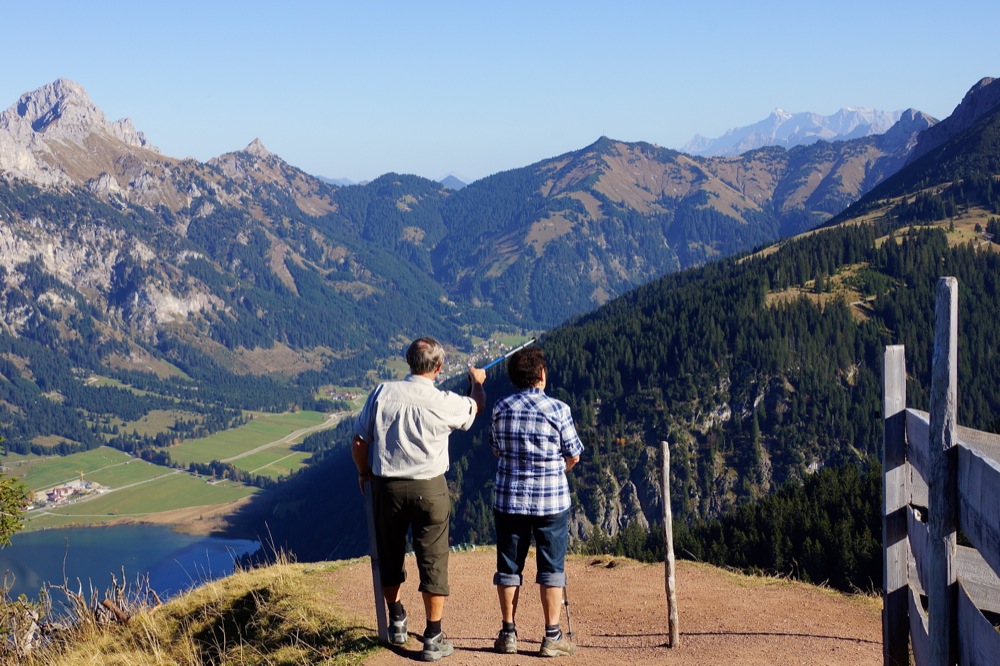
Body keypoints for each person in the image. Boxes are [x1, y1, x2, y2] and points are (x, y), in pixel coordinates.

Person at [352, 337, 487, 662]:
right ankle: (433, 634)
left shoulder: (382, 393)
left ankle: (396, 618)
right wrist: (477, 382)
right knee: (433, 559)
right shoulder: (444, 401)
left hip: (388, 488)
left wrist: (364, 473)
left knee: (390, 554)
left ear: (409, 362)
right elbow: (476, 407)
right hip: (430, 488)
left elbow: (359, 440)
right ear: (439, 368)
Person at [490, 346, 583, 657]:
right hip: (551, 500)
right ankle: (552, 636)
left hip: (509, 497)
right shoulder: (559, 410)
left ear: (516, 378)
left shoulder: (501, 408)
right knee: (552, 567)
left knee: (508, 566)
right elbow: (573, 454)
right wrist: (558, 468)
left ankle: (508, 632)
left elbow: (496, 449)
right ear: (542, 375)